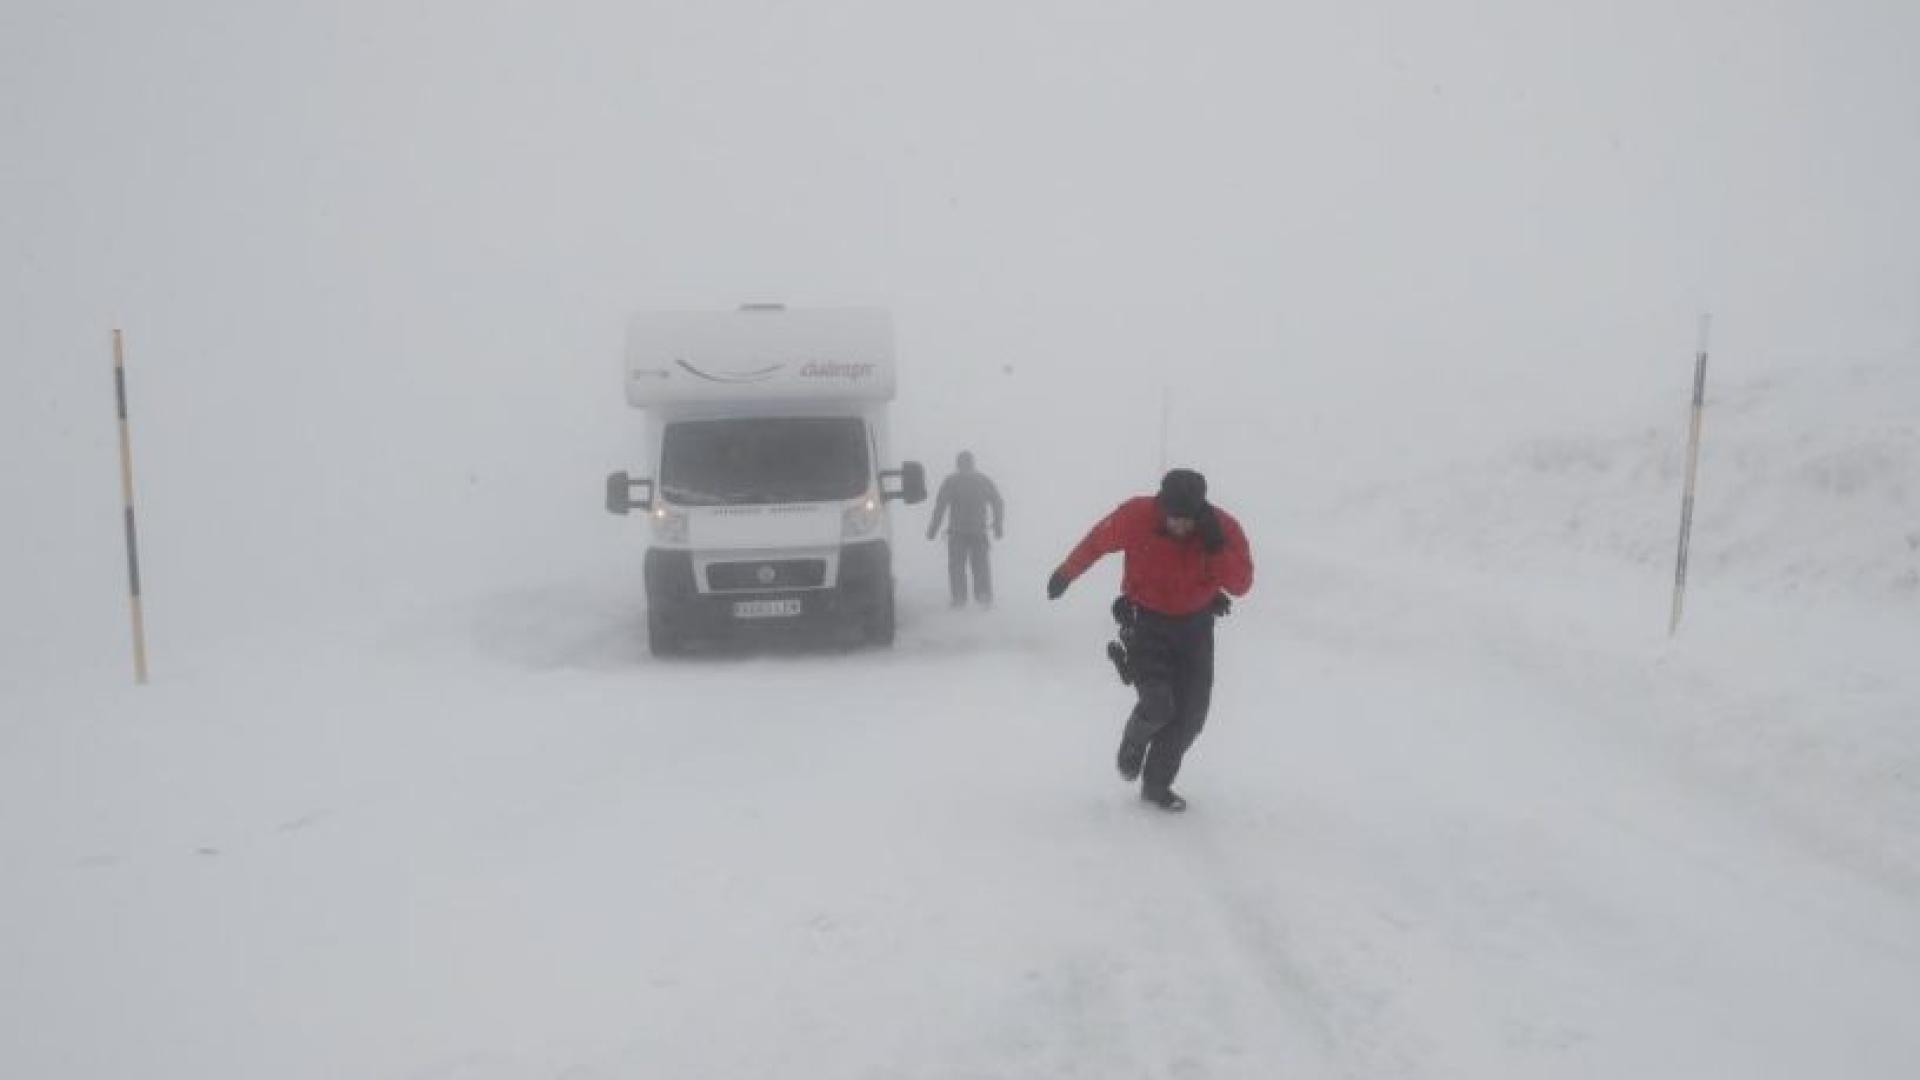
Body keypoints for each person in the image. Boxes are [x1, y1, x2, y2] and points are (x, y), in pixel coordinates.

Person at [1046, 468, 1253, 812]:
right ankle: (1133, 742)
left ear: (1200, 511)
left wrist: (1216, 547)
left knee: (1190, 717)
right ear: (1161, 506)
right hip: (1146, 622)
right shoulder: (1137, 515)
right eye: (1173, 518)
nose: (1180, 527)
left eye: (1188, 520)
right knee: (1158, 705)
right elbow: (1097, 541)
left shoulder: (1222, 528)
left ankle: (1156, 787)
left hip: (1196, 629)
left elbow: (1242, 584)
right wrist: (1067, 572)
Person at [926, 451, 1005, 607]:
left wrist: (933, 530)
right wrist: (998, 525)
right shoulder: (983, 481)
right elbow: (998, 503)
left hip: (957, 534)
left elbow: (940, 507)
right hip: (978, 533)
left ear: (958, 464)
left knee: (957, 568)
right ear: (972, 463)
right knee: (980, 566)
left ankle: (959, 599)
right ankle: (983, 597)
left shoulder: (951, 482)